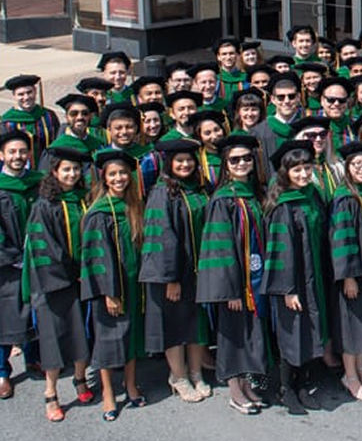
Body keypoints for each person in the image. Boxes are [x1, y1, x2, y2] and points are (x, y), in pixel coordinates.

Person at [195, 135, 269, 415]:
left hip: (257, 279)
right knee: (233, 335)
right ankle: (235, 390)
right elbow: (219, 247)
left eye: (246, 158)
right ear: (225, 164)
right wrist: (231, 291)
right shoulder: (223, 199)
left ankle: (247, 385)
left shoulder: (254, 193)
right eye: (234, 160)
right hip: (237, 286)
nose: (241, 163)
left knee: (251, 334)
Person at [22, 145, 94, 421]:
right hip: (54, 281)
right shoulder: (45, 205)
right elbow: (45, 247)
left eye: (76, 169)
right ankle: (50, 393)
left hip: (81, 278)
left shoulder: (84, 199)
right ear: (54, 172)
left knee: (80, 332)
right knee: (53, 336)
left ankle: (80, 379)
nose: (72, 173)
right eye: (66, 169)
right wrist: (72, 270)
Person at [140, 138, 211, 403]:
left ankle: (196, 372)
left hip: (197, 271)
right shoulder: (162, 192)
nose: (185, 164)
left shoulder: (197, 189)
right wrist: (170, 278)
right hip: (173, 275)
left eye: (189, 160)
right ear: (169, 163)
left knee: (195, 324)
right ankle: (178, 376)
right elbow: (162, 238)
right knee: (174, 327)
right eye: (179, 161)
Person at [263, 140, 330, 414]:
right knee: (292, 334)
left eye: (307, 167)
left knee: (312, 328)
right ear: (285, 173)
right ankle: (285, 388)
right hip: (292, 280)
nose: (304, 174)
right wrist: (288, 290)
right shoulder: (282, 205)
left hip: (314, 273)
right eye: (297, 170)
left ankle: (303, 383)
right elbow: (280, 251)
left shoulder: (312, 194)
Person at [81, 149, 145, 421]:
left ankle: (130, 384)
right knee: (108, 339)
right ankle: (108, 392)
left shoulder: (133, 207)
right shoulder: (99, 213)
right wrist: (109, 293)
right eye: (113, 174)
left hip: (133, 283)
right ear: (104, 179)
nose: (119, 178)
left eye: (122, 173)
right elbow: (97, 258)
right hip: (110, 287)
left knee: (131, 336)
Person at [330, 141, 362, 402]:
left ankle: (361, 368)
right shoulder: (345, 198)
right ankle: (349, 375)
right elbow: (341, 241)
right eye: (357, 164)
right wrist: (348, 276)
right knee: (351, 324)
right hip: (353, 273)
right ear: (347, 167)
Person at [0, 129, 42, 400]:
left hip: (38, 258)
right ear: (2, 155)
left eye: (22, 151)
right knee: (8, 315)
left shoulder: (37, 182)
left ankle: (33, 359)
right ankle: (2, 371)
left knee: (36, 310)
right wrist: (14, 257)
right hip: (9, 262)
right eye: (12, 152)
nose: (17, 156)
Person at [1, 74, 61, 166]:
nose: (26, 97)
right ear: (14, 95)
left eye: (29, 92)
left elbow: (58, 141)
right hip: (20, 173)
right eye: (21, 94)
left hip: (48, 170)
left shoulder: (48, 116)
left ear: (35, 91)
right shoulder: (6, 123)